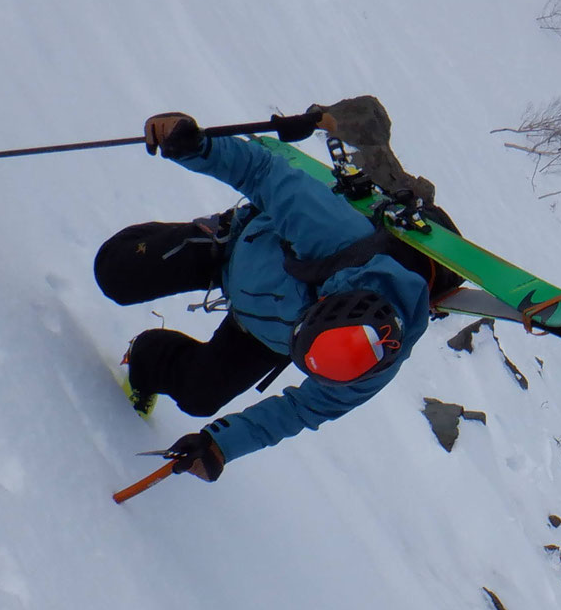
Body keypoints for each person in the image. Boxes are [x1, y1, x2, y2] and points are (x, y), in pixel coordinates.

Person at [94, 109, 458, 482]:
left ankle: (144, 357)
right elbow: (262, 171)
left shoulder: (369, 370)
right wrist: (195, 146)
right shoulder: (335, 234)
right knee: (115, 272)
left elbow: (300, 410)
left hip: (269, 335)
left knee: (197, 397)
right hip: (238, 249)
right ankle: (189, 240)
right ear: (325, 303)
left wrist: (219, 447)